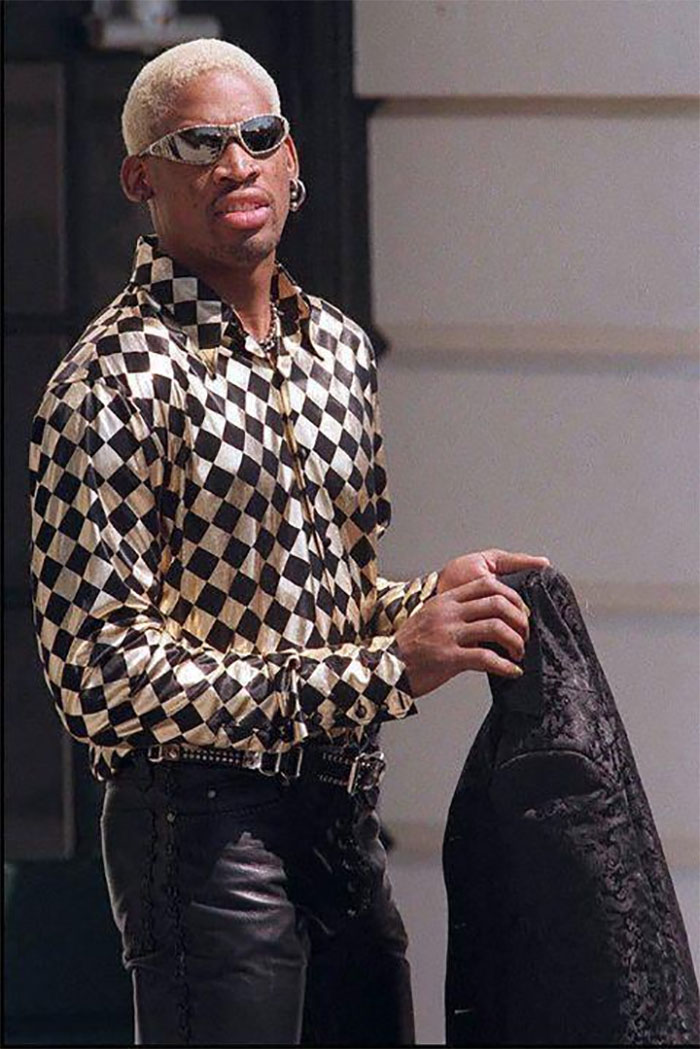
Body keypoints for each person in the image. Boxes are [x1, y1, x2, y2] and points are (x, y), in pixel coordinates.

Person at [28, 38, 549, 1047]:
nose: (236, 163)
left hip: (342, 826)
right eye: (199, 144)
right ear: (141, 179)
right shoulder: (109, 383)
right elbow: (97, 672)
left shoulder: (337, 349)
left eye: (258, 136)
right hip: (203, 833)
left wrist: (435, 604)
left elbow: (327, 603)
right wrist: (386, 670)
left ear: (292, 157)